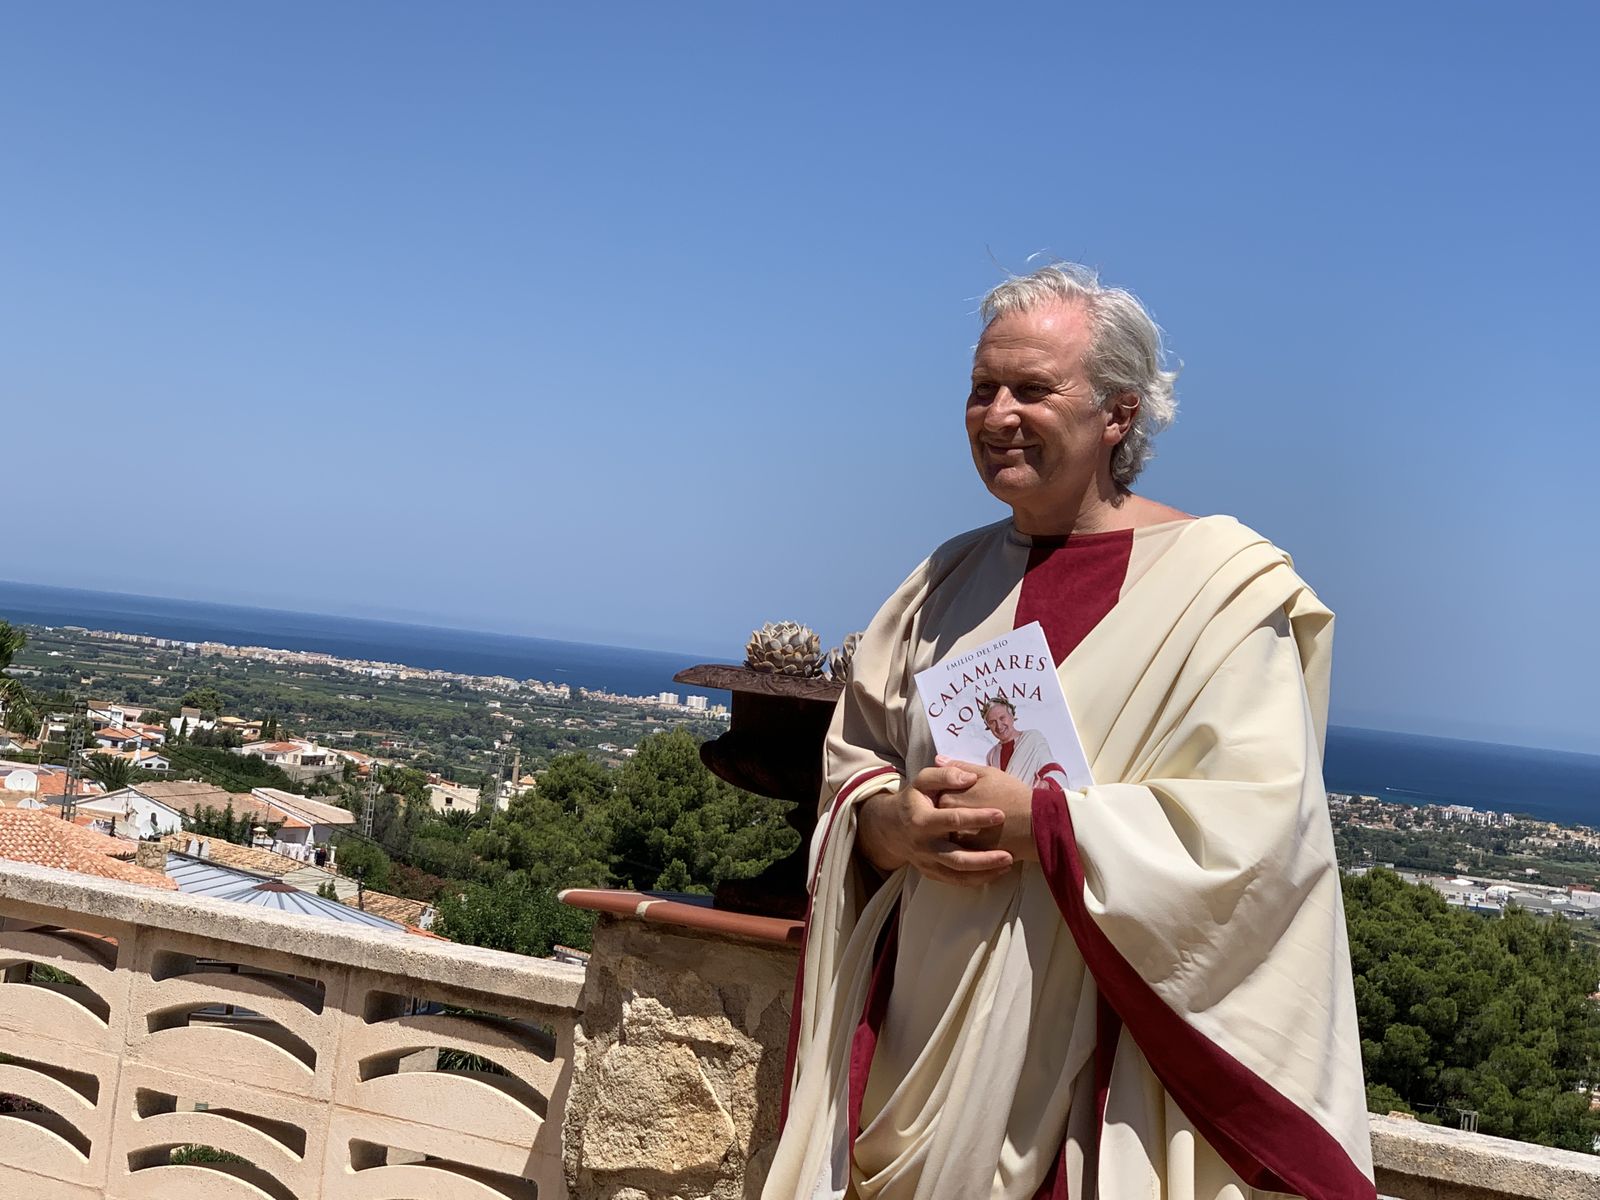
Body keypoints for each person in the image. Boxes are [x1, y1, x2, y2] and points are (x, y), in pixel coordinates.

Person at [765, 264, 1374, 1200]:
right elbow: (858, 763)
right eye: (981, 389)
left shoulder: (1220, 592)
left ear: (1119, 415)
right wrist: (889, 822)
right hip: (921, 1055)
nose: (998, 414)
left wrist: (1039, 821)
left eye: (1033, 389)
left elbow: (1258, 840)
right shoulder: (939, 582)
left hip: (1109, 1069)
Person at [980, 694, 1067, 793]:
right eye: (992, 722)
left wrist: (1046, 784)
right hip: (1007, 807)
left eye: (1002, 718)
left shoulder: (1033, 738)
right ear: (988, 726)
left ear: (1012, 716)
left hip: (1033, 800)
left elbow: (1051, 768)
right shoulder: (991, 755)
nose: (999, 726)